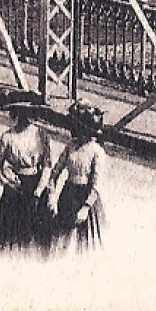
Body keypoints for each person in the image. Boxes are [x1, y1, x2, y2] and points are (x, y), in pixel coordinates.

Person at [0, 91, 53, 255]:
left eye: (32, 112)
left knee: (34, 235)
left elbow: (47, 166)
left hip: (36, 187)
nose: (29, 117)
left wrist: (39, 190)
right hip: (15, 189)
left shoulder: (42, 135)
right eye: (24, 112)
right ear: (16, 113)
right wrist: (6, 183)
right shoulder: (8, 137)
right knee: (10, 234)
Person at [45, 101, 107, 254]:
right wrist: (52, 197)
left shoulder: (97, 152)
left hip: (86, 199)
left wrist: (85, 208)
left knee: (85, 244)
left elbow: (96, 185)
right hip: (68, 195)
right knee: (61, 241)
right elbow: (54, 173)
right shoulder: (71, 146)